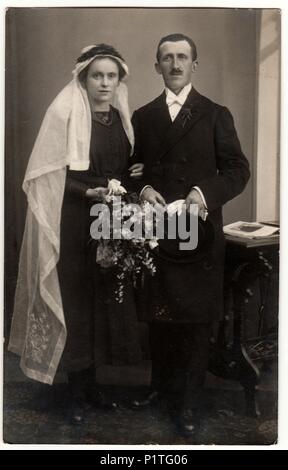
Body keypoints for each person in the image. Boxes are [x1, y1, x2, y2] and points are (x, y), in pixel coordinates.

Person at [8, 43, 143, 424]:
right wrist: (87, 191)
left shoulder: (120, 118)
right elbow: (47, 173)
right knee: (75, 302)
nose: (104, 83)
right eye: (97, 75)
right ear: (83, 78)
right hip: (72, 220)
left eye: (111, 76)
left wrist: (133, 172)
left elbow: (124, 163)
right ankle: (71, 392)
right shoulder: (64, 114)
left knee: (102, 301)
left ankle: (93, 385)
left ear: (119, 81)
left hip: (107, 219)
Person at [131, 33, 250, 436]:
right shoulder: (144, 117)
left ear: (194, 65)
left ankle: (189, 405)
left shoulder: (216, 113)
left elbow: (237, 170)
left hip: (199, 232)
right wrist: (144, 189)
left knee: (196, 321)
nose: (175, 64)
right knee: (160, 315)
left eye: (183, 57)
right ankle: (160, 390)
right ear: (157, 66)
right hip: (160, 231)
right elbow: (136, 170)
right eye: (167, 58)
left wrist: (202, 194)